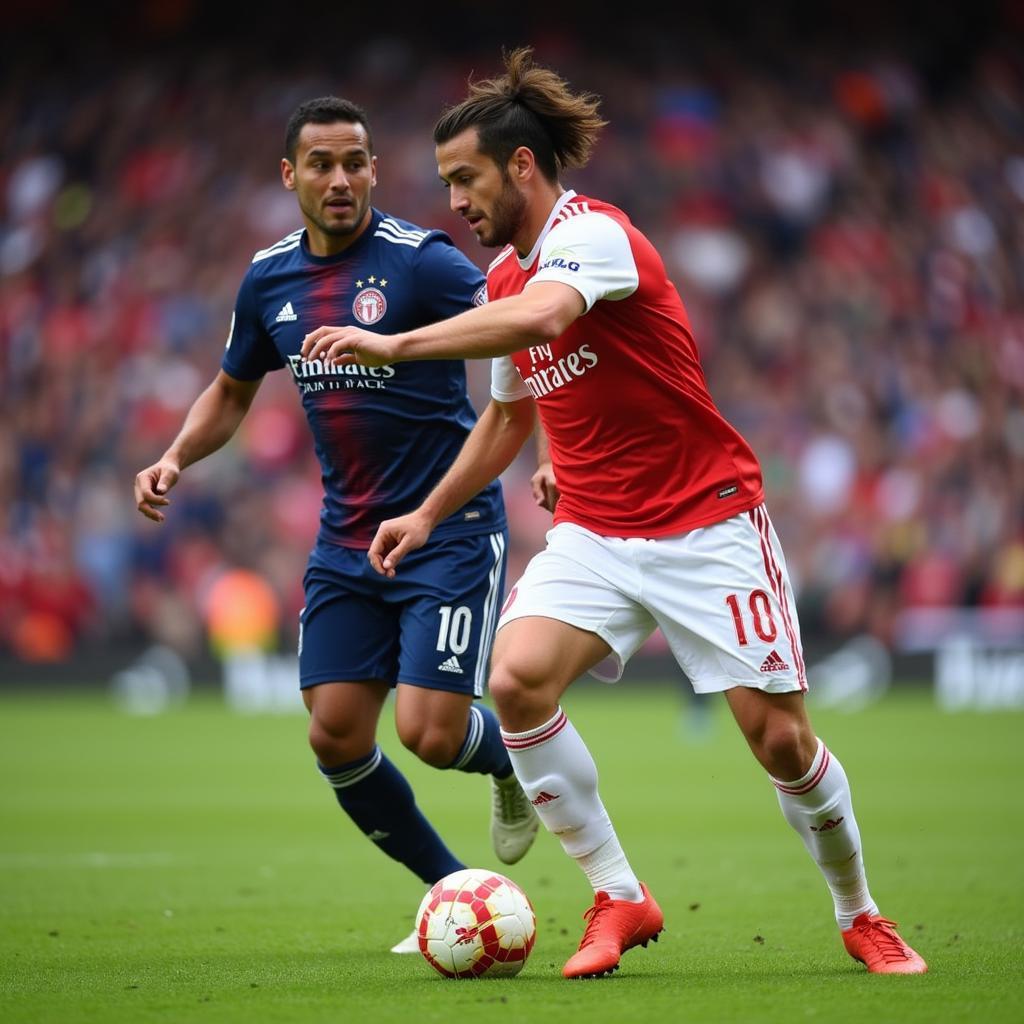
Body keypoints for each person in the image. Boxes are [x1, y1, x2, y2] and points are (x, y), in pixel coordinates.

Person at [299, 51, 929, 980]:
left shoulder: (591, 235)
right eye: (444, 184)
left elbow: (550, 320)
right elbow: (510, 417)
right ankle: (619, 894)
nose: (456, 201)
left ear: (520, 166)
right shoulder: (503, 280)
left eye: (464, 179)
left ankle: (859, 912)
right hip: (595, 533)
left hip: (706, 523)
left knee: (782, 742)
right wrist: (429, 513)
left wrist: (392, 343)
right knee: (513, 683)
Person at [133, 95, 540, 953]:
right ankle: (453, 893)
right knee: (336, 734)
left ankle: (506, 759)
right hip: (347, 541)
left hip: (447, 527)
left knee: (427, 734)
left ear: (374, 171)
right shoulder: (269, 277)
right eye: (322, 163)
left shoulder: (422, 264)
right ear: (291, 176)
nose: (342, 178)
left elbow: (516, 335)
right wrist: (176, 456)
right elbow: (232, 389)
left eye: (356, 161)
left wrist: (554, 453)